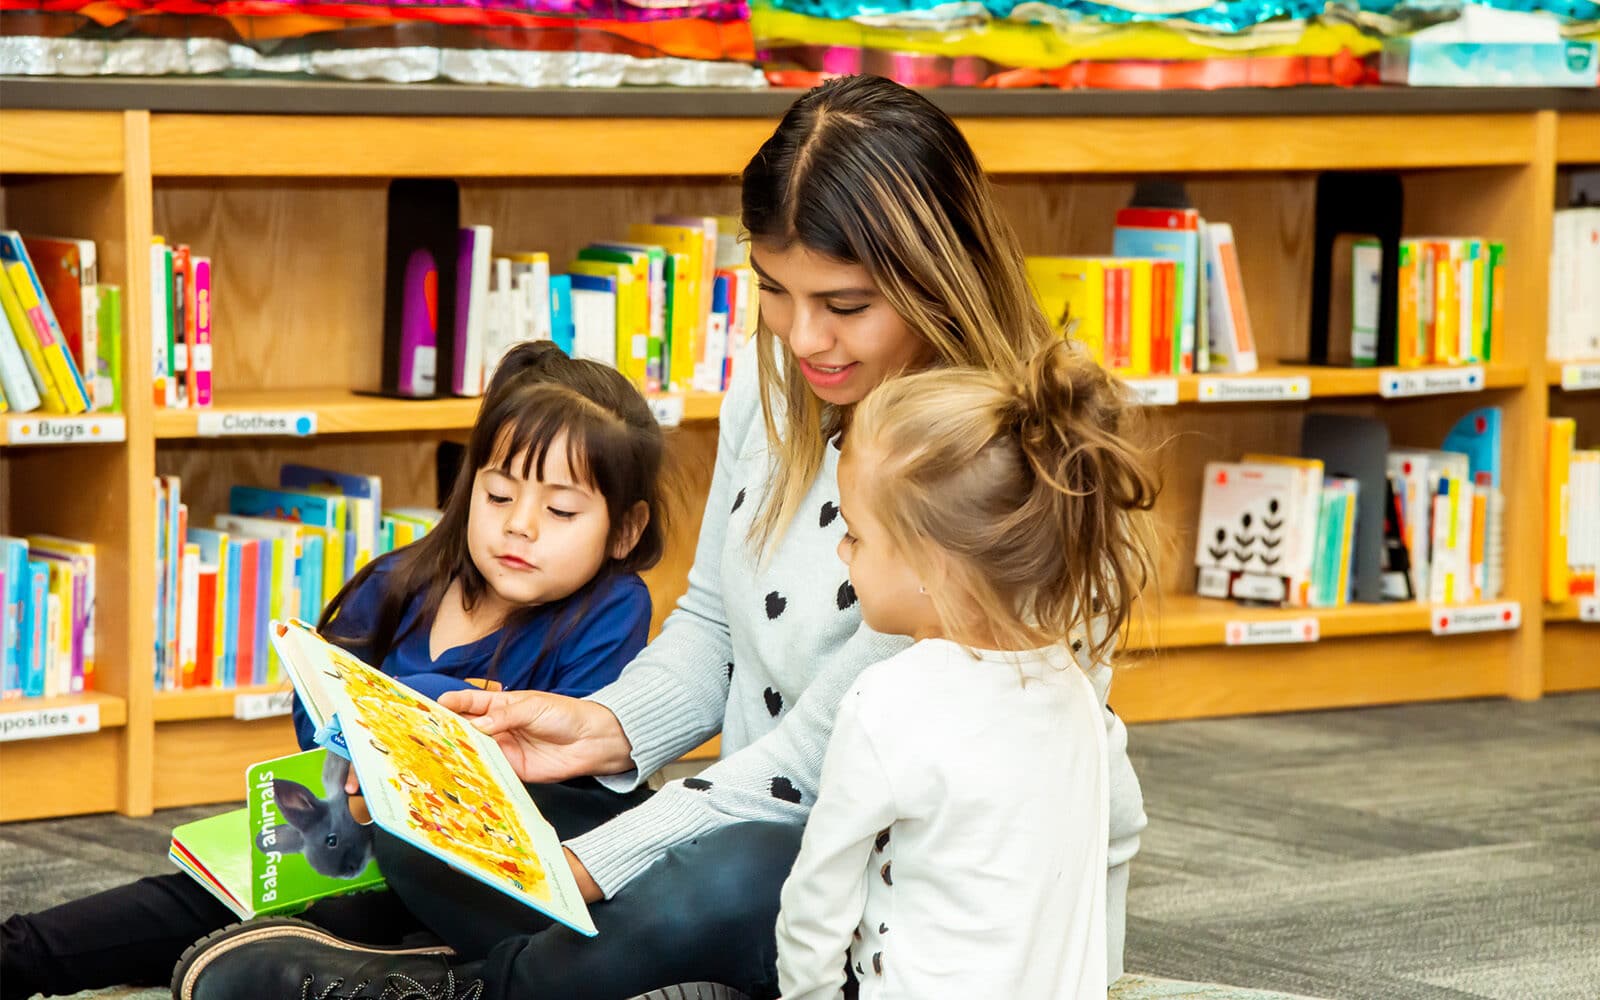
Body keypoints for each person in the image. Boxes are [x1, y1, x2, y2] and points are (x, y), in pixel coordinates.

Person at [170, 73, 1150, 1000]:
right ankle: (570, 959)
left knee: (722, 876)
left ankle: (479, 983)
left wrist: (602, 860)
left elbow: (822, 764)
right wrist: (597, 725)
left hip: (872, 880)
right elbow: (714, 622)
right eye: (773, 290)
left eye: (844, 306)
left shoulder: (1000, 467)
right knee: (429, 813)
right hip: (738, 803)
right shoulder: (774, 396)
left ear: (937, 276)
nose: (803, 339)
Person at [0, 341, 668, 1000]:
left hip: (462, 885)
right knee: (182, 901)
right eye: (498, 496)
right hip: (338, 835)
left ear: (624, 530)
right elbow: (315, 702)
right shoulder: (405, 578)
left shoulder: (610, 610)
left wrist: (401, 706)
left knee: (296, 932)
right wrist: (367, 725)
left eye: (559, 511)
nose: (519, 527)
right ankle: (22, 955)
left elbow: (560, 780)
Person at [776, 340, 1157, 999]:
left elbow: (818, 899)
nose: (842, 550)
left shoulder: (887, 700)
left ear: (933, 566)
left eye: (856, 534)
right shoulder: (1071, 687)